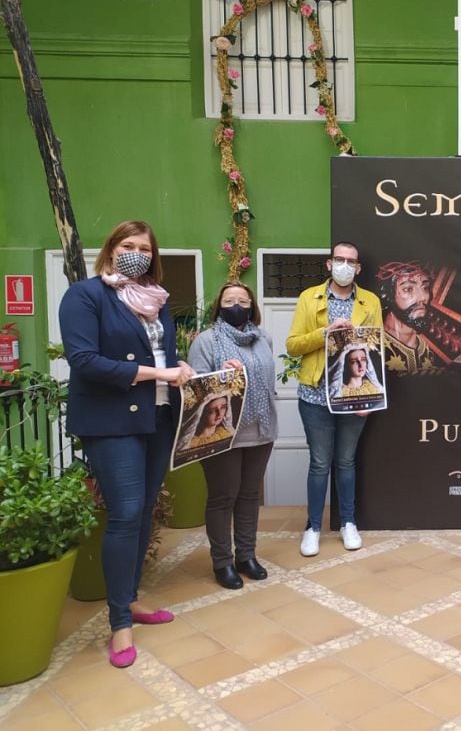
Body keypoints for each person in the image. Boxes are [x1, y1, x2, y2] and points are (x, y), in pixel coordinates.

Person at [59, 220, 195, 668]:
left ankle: (130, 598)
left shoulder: (157, 301)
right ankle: (119, 623)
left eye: (144, 247)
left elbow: (161, 354)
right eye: (127, 245)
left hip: (157, 417)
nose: (135, 252)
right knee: (125, 514)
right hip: (111, 421)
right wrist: (160, 374)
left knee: (144, 512)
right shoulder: (86, 296)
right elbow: (84, 360)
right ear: (112, 249)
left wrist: (180, 366)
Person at [286, 241, 382, 557]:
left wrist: (369, 397)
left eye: (350, 261)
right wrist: (325, 332)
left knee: (346, 461)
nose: (344, 265)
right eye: (338, 259)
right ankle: (313, 527)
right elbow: (293, 345)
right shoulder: (308, 298)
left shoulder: (370, 302)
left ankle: (348, 523)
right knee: (319, 462)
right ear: (329, 264)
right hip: (315, 395)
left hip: (354, 394)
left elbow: (377, 351)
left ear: (358, 268)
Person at [188, 281, 278, 590]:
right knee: (223, 497)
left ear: (252, 306)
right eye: (229, 300)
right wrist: (222, 376)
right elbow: (196, 392)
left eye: (242, 299)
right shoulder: (206, 341)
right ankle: (223, 562)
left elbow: (268, 381)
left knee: (250, 495)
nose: (236, 304)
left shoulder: (263, 338)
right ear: (219, 306)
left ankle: (246, 556)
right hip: (222, 433)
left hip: (261, 430)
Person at [376, 260, 461, 374]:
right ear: (388, 295)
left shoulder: (433, 343)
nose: (423, 297)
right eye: (408, 289)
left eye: (425, 287)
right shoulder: (373, 347)